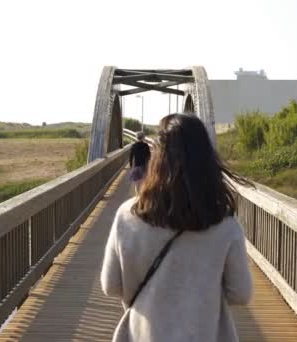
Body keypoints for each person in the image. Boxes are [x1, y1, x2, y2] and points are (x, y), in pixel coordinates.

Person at [101, 114, 253, 342]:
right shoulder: (224, 223)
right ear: (207, 160)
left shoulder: (127, 215)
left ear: (158, 159)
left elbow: (111, 286)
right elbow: (240, 293)